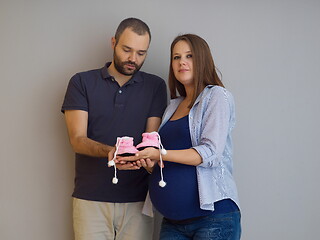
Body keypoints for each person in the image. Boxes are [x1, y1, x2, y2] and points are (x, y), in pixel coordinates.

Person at [117, 34, 241, 240]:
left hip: (213, 219)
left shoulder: (217, 96)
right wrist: (141, 160)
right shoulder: (173, 105)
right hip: (173, 223)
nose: (182, 62)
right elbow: (161, 160)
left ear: (202, 60)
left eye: (189, 56)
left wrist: (159, 154)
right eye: (176, 57)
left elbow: (210, 153)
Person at [61, 17, 167, 240]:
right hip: (90, 199)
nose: (132, 59)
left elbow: (151, 139)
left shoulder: (155, 86)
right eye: (127, 50)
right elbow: (77, 139)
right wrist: (111, 151)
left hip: (139, 200)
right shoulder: (81, 82)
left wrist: (147, 158)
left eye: (141, 53)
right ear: (113, 42)